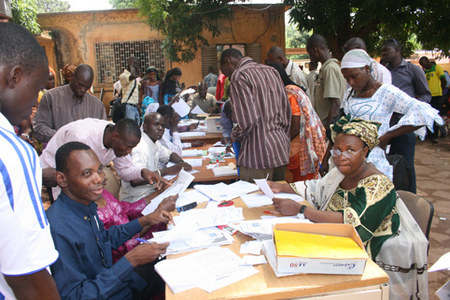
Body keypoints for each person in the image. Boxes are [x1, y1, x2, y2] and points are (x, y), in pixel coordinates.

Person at [267, 116, 428, 300]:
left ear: (365, 152)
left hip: (374, 254)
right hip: (340, 243)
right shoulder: (340, 173)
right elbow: (317, 187)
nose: (341, 157)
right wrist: (281, 186)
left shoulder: (377, 185)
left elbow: (353, 222)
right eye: (337, 150)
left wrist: (301, 210)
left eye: (350, 150)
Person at [47, 141, 172, 299]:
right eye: (87, 173)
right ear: (62, 179)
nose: (98, 179)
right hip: (105, 292)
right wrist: (131, 259)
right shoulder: (59, 229)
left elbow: (104, 238)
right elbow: (76, 295)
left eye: (99, 170)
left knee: (172, 268)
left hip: (116, 283)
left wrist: (145, 220)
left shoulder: (85, 205)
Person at [0, 22, 60, 300]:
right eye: (36, 88)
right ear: (14, 76)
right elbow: (30, 275)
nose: (34, 104)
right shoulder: (11, 151)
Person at [338, 49, 442, 184]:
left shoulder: (386, 92)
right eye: (347, 78)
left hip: (374, 161)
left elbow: (425, 112)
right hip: (348, 162)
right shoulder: (349, 94)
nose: (351, 82)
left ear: (366, 69)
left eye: (354, 76)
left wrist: (388, 135)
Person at [40, 118, 166, 197]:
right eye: (128, 147)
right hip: (53, 172)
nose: (129, 152)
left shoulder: (119, 140)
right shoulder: (83, 137)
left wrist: (143, 172)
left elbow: (124, 170)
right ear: (115, 137)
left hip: (78, 179)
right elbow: (73, 177)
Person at [220, 48, 291, 182]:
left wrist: (234, 135)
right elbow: (287, 112)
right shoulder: (273, 71)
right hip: (280, 149)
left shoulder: (239, 76)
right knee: (277, 200)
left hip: (257, 156)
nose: (228, 77)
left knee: (256, 201)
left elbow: (248, 121)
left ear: (227, 61)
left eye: (225, 72)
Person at [381, 39, 432, 193]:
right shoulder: (383, 72)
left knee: (406, 163)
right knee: (387, 163)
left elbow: (425, 95)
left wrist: (411, 107)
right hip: (386, 124)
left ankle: (410, 198)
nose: (383, 53)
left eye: (386, 50)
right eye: (382, 50)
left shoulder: (412, 70)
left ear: (397, 50)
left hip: (404, 124)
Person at [268, 62, 326, 182]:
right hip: (296, 147)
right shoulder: (292, 91)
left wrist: (279, 147)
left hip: (298, 150)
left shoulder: (290, 94)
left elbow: (295, 127)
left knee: (300, 189)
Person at [120, 112, 192, 203]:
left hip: (151, 191)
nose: (160, 128)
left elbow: (169, 154)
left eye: (163, 126)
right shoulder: (140, 147)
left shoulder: (153, 141)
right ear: (145, 126)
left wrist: (180, 162)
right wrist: (167, 171)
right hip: (137, 198)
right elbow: (135, 180)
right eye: (156, 125)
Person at [98, 188, 177, 263]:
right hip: (130, 258)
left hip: (138, 235)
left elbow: (127, 209)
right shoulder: (93, 217)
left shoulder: (102, 192)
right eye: (87, 173)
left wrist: (161, 191)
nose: (101, 177)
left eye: (100, 172)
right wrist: (152, 217)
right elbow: (125, 245)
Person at [33, 64, 107, 142]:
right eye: (80, 85)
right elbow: (39, 127)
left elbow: (103, 134)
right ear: (72, 77)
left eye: (87, 87)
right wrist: (63, 137)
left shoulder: (97, 106)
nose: (82, 89)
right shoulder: (51, 97)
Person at [306, 34, 346, 129]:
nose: (310, 57)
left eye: (310, 53)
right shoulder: (326, 69)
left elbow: (335, 104)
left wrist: (327, 132)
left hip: (327, 127)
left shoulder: (329, 69)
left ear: (315, 50)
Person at [419, 56, 447, 143]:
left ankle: (435, 135)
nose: (423, 67)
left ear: (427, 61)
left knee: (436, 115)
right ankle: (429, 134)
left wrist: (441, 92)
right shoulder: (424, 71)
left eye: (424, 64)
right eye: (422, 65)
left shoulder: (437, 68)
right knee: (428, 115)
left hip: (437, 96)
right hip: (428, 96)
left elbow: (444, 80)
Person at [120, 57, 142, 125]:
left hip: (134, 106)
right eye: (136, 65)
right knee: (130, 126)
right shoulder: (124, 76)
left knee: (136, 127)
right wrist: (131, 65)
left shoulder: (135, 80)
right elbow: (133, 75)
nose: (138, 68)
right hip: (128, 106)